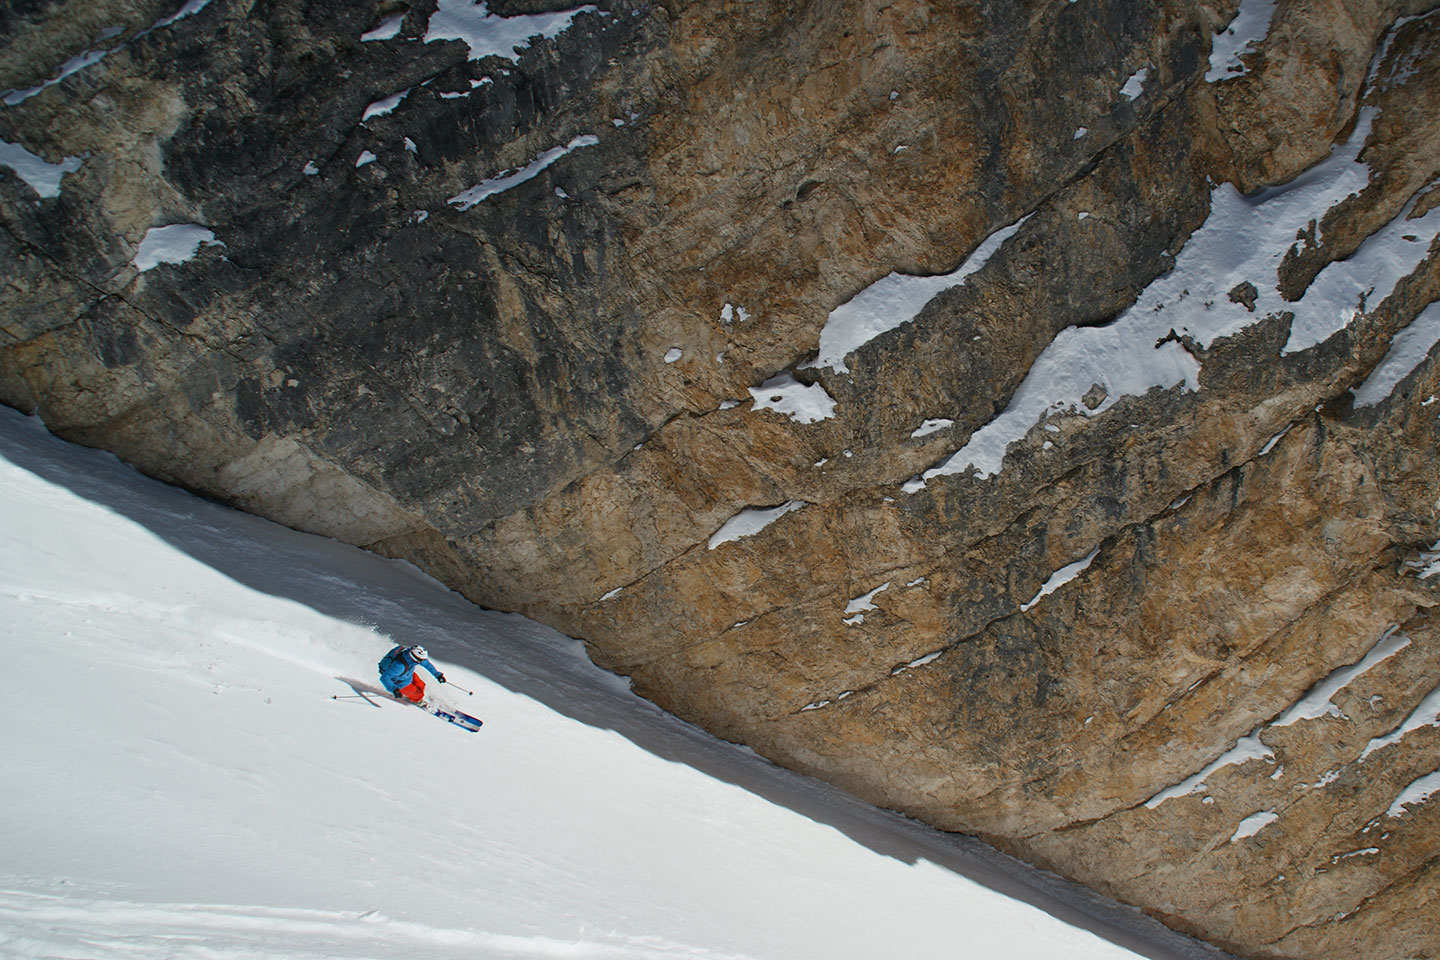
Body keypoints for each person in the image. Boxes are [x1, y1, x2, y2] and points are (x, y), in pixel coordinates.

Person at [378, 643, 446, 706]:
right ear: (415, 658)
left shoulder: (410, 654)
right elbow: (384, 677)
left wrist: (438, 675)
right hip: (401, 683)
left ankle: (420, 696)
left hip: (407, 674)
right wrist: (394, 689)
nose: (423, 661)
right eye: (421, 660)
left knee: (421, 685)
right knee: (417, 694)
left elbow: (426, 664)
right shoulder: (399, 666)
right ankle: (417, 700)